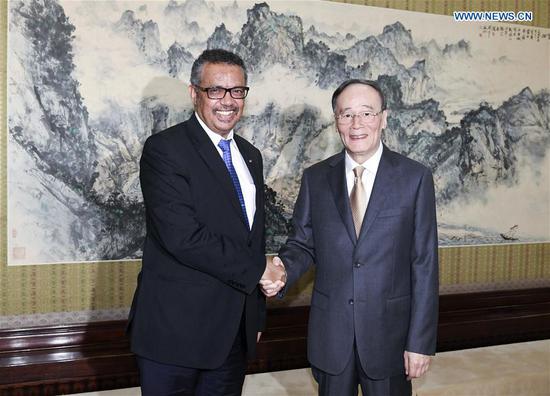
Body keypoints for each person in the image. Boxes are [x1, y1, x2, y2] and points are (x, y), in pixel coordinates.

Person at [261, 79, 439, 396]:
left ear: (384, 118)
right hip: (332, 339)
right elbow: (302, 244)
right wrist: (283, 271)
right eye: (346, 115)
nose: (356, 124)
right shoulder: (315, 178)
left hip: (391, 340)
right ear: (336, 121)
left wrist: (421, 342)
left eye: (366, 113)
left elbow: (424, 264)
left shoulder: (414, 178)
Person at [128, 49, 285, 396]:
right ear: (194, 93)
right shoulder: (164, 149)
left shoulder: (250, 155)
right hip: (174, 336)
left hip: (232, 336)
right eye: (216, 90)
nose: (227, 101)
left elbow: (252, 239)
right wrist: (259, 269)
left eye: (237, 91)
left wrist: (255, 318)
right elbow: (182, 237)